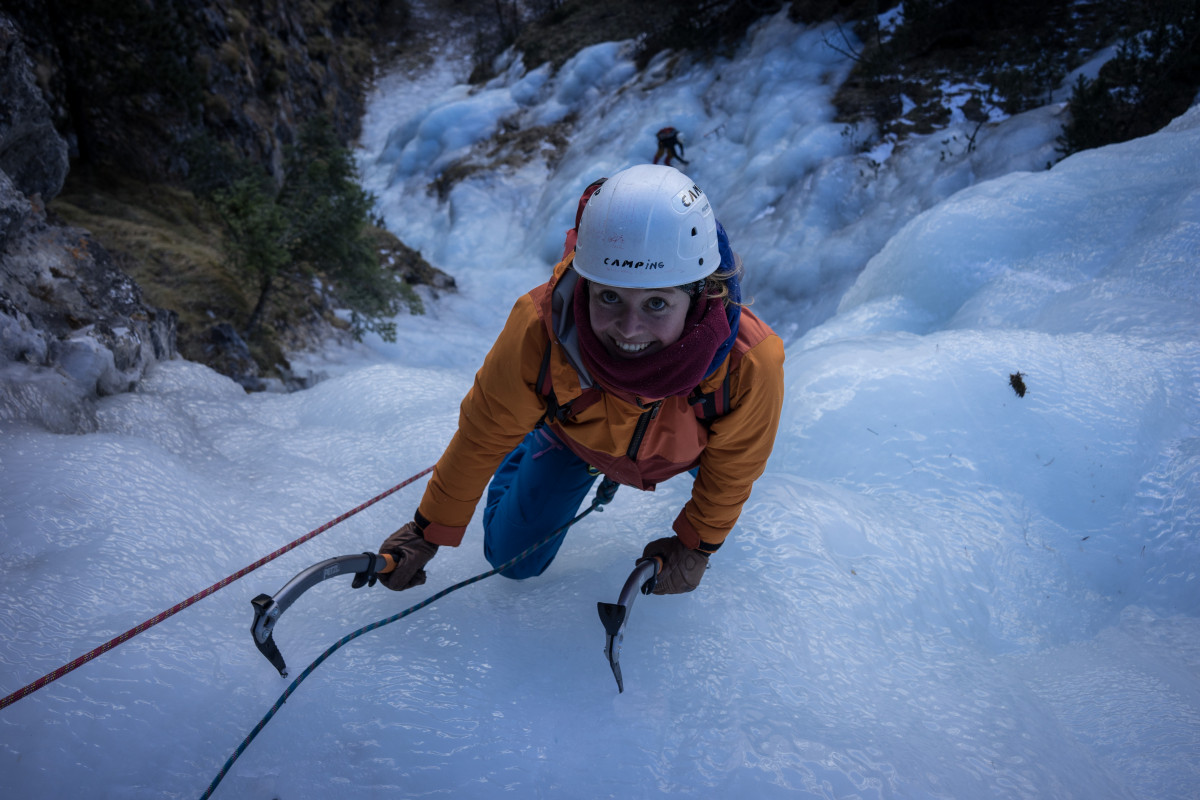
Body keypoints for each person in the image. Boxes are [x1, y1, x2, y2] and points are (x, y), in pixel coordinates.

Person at [372, 164, 784, 596]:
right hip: (578, 436)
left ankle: (537, 422)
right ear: (585, 285)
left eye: (657, 303)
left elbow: (734, 466)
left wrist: (697, 545)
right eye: (610, 296)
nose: (628, 329)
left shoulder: (749, 364)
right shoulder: (541, 328)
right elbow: (484, 432)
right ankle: (533, 430)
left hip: (677, 445)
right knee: (512, 561)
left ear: (701, 294)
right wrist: (428, 530)